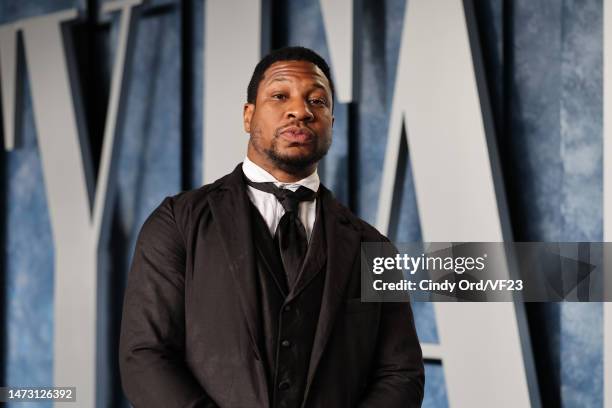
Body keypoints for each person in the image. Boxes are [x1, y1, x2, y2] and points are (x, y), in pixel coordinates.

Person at [119, 46, 424, 408]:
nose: (301, 110)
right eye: (280, 96)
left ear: (331, 124)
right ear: (248, 116)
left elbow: (400, 373)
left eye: (318, 101)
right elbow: (145, 355)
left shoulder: (373, 246)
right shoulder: (177, 222)